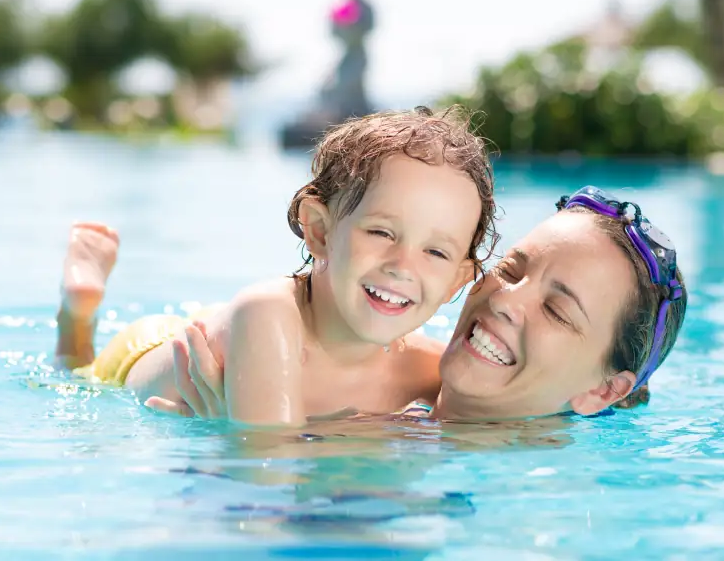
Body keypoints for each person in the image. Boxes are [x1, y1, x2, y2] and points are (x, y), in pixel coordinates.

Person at [57, 106, 499, 427]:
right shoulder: (267, 318)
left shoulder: (430, 373)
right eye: (382, 233)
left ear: (456, 281)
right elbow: (270, 489)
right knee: (74, 373)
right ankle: (76, 319)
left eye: (436, 253)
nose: (403, 266)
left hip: (228, 336)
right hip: (146, 350)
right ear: (320, 231)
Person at [151, 185, 689, 423]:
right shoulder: (397, 373)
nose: (504, 300)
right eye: (512, 269)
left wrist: (240, 441)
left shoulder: (530, 484)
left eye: (556, 310)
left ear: (602, 390)